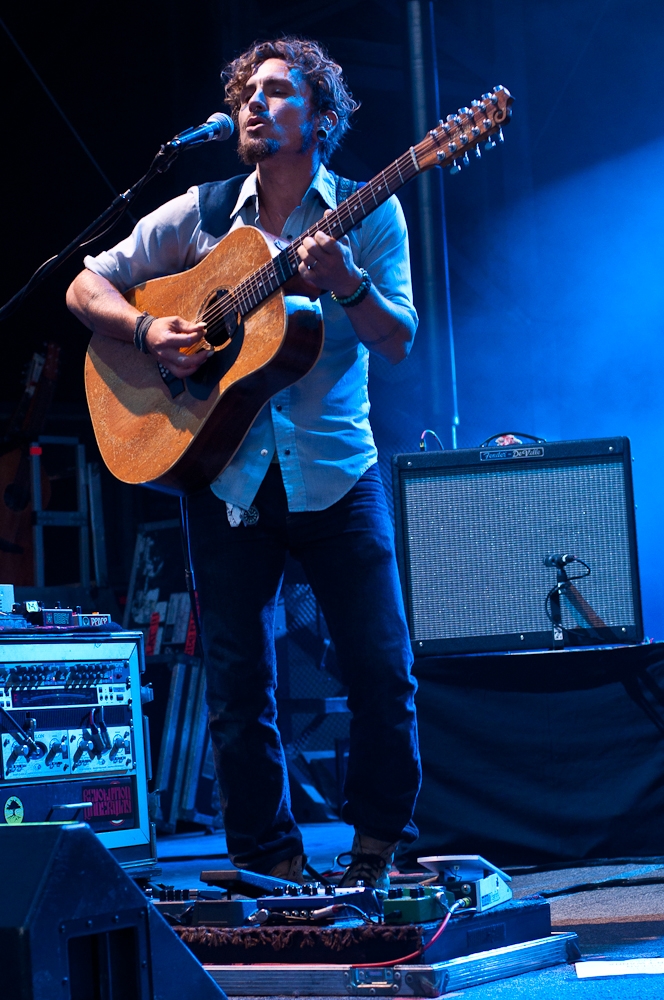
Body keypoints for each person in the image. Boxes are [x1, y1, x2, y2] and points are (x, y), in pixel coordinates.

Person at [67, 36, 421, 889]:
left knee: (380, 667)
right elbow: (85, 284)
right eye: (246, 95)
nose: (254, 107)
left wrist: (345, 283)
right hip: (227, 474)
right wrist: (152, 331)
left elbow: (397, 338)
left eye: (276, 93)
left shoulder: (369, 214)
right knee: (237, 681)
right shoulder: (201, 209)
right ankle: (270, 859)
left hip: (337, 470)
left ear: (322, 120)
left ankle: (377, 845)